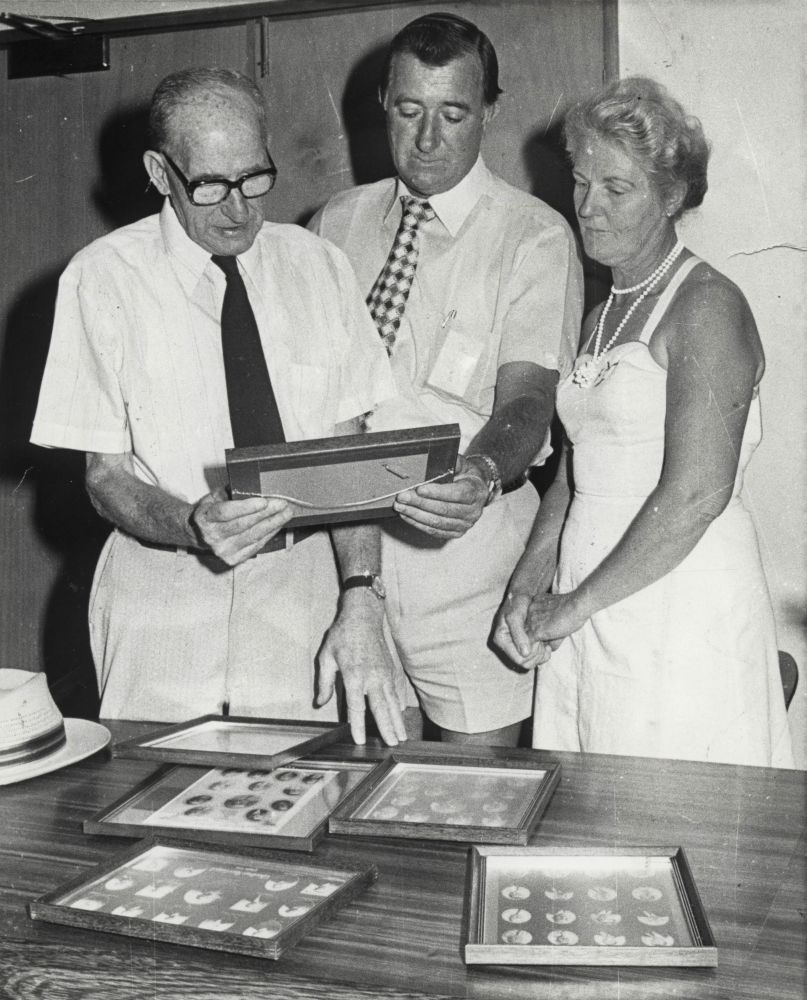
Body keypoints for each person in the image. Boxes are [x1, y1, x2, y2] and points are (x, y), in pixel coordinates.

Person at [30, 67, 408, 744]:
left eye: (254, 177)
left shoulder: (319, 266)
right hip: (160, 595)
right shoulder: (103, 278)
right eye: (208, 185)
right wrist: (190, 524)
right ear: (159, 172)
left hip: (302, 589)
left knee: (308, 786)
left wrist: (360, 594)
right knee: (156, 788)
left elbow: (347, 456)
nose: (238, 208)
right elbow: (105, 477)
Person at [495, 77, 793, 767]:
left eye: (616, 188)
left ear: (671, 195)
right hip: (590, 593)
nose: (587, 206)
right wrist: (528, 583)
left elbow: (696, 493)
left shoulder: (706, 305)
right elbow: (574, 475)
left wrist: (576, 605)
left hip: (678, 599)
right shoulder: (601, 316)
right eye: (580, 181)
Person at [311, 13, 583, 746]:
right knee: (351, 780)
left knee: (472, 791)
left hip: (469, 560)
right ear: (381, 103)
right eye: (409, 110)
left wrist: (482, 472)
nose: (428, 138)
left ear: (489, 110)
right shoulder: (334, 224)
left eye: (453, 114)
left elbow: (528, 399)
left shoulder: (532, 235)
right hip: (344, 558)